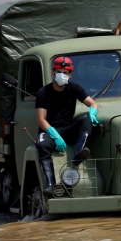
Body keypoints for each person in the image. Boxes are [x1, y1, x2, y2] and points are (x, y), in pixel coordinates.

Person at [35, 56, 99, 197]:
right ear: (53, 73)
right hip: (49, 130)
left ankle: (79, 151)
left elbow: (92, 103)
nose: (62, 75)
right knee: (42, 145)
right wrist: (54, 135)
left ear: (70, 74)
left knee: (87, 121)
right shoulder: (43, 92)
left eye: (65, 72)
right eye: (59, 72)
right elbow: (41, 119)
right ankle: (51, 185)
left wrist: (93, 112)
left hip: (68, 128)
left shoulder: (74, 88)